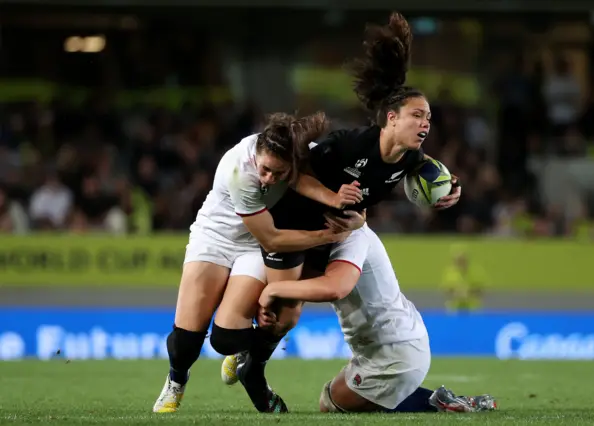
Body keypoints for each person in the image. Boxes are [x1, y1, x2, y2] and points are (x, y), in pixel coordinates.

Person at [217, 11, 462, 412]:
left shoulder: (411, 159)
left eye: (429, 118)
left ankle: (250, 362)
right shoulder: (350, 145)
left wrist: (450, 190)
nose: (426, 123)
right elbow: (297, 173)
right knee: (284, 313)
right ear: (391, 118)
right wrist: (332, 199)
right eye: (418, 115)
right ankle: (250, 366)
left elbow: (432, 175)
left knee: (291, 313)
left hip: (337, 233)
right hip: (293, 227)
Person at [153, 111, 364, 413]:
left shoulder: (298, 157)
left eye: (279, 174)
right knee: (187, 339)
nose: (269, 179)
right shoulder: (240, 170)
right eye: (265, 170)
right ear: (258, 156)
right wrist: (327, 236)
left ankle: (240, 355)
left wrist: (338, 200)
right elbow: (274, 240)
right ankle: (176, 381)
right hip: (217, 238)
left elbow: (303, 180)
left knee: (226, 339)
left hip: (252, 248)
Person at [256, 224, 498, 414]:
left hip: (394, 349)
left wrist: (273, 291)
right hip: (391, 340)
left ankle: (434, 402)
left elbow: (334, 287)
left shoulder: (353, 237)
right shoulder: (336, 237)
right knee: (333, 395)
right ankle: (440, 399)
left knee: (332, 402)